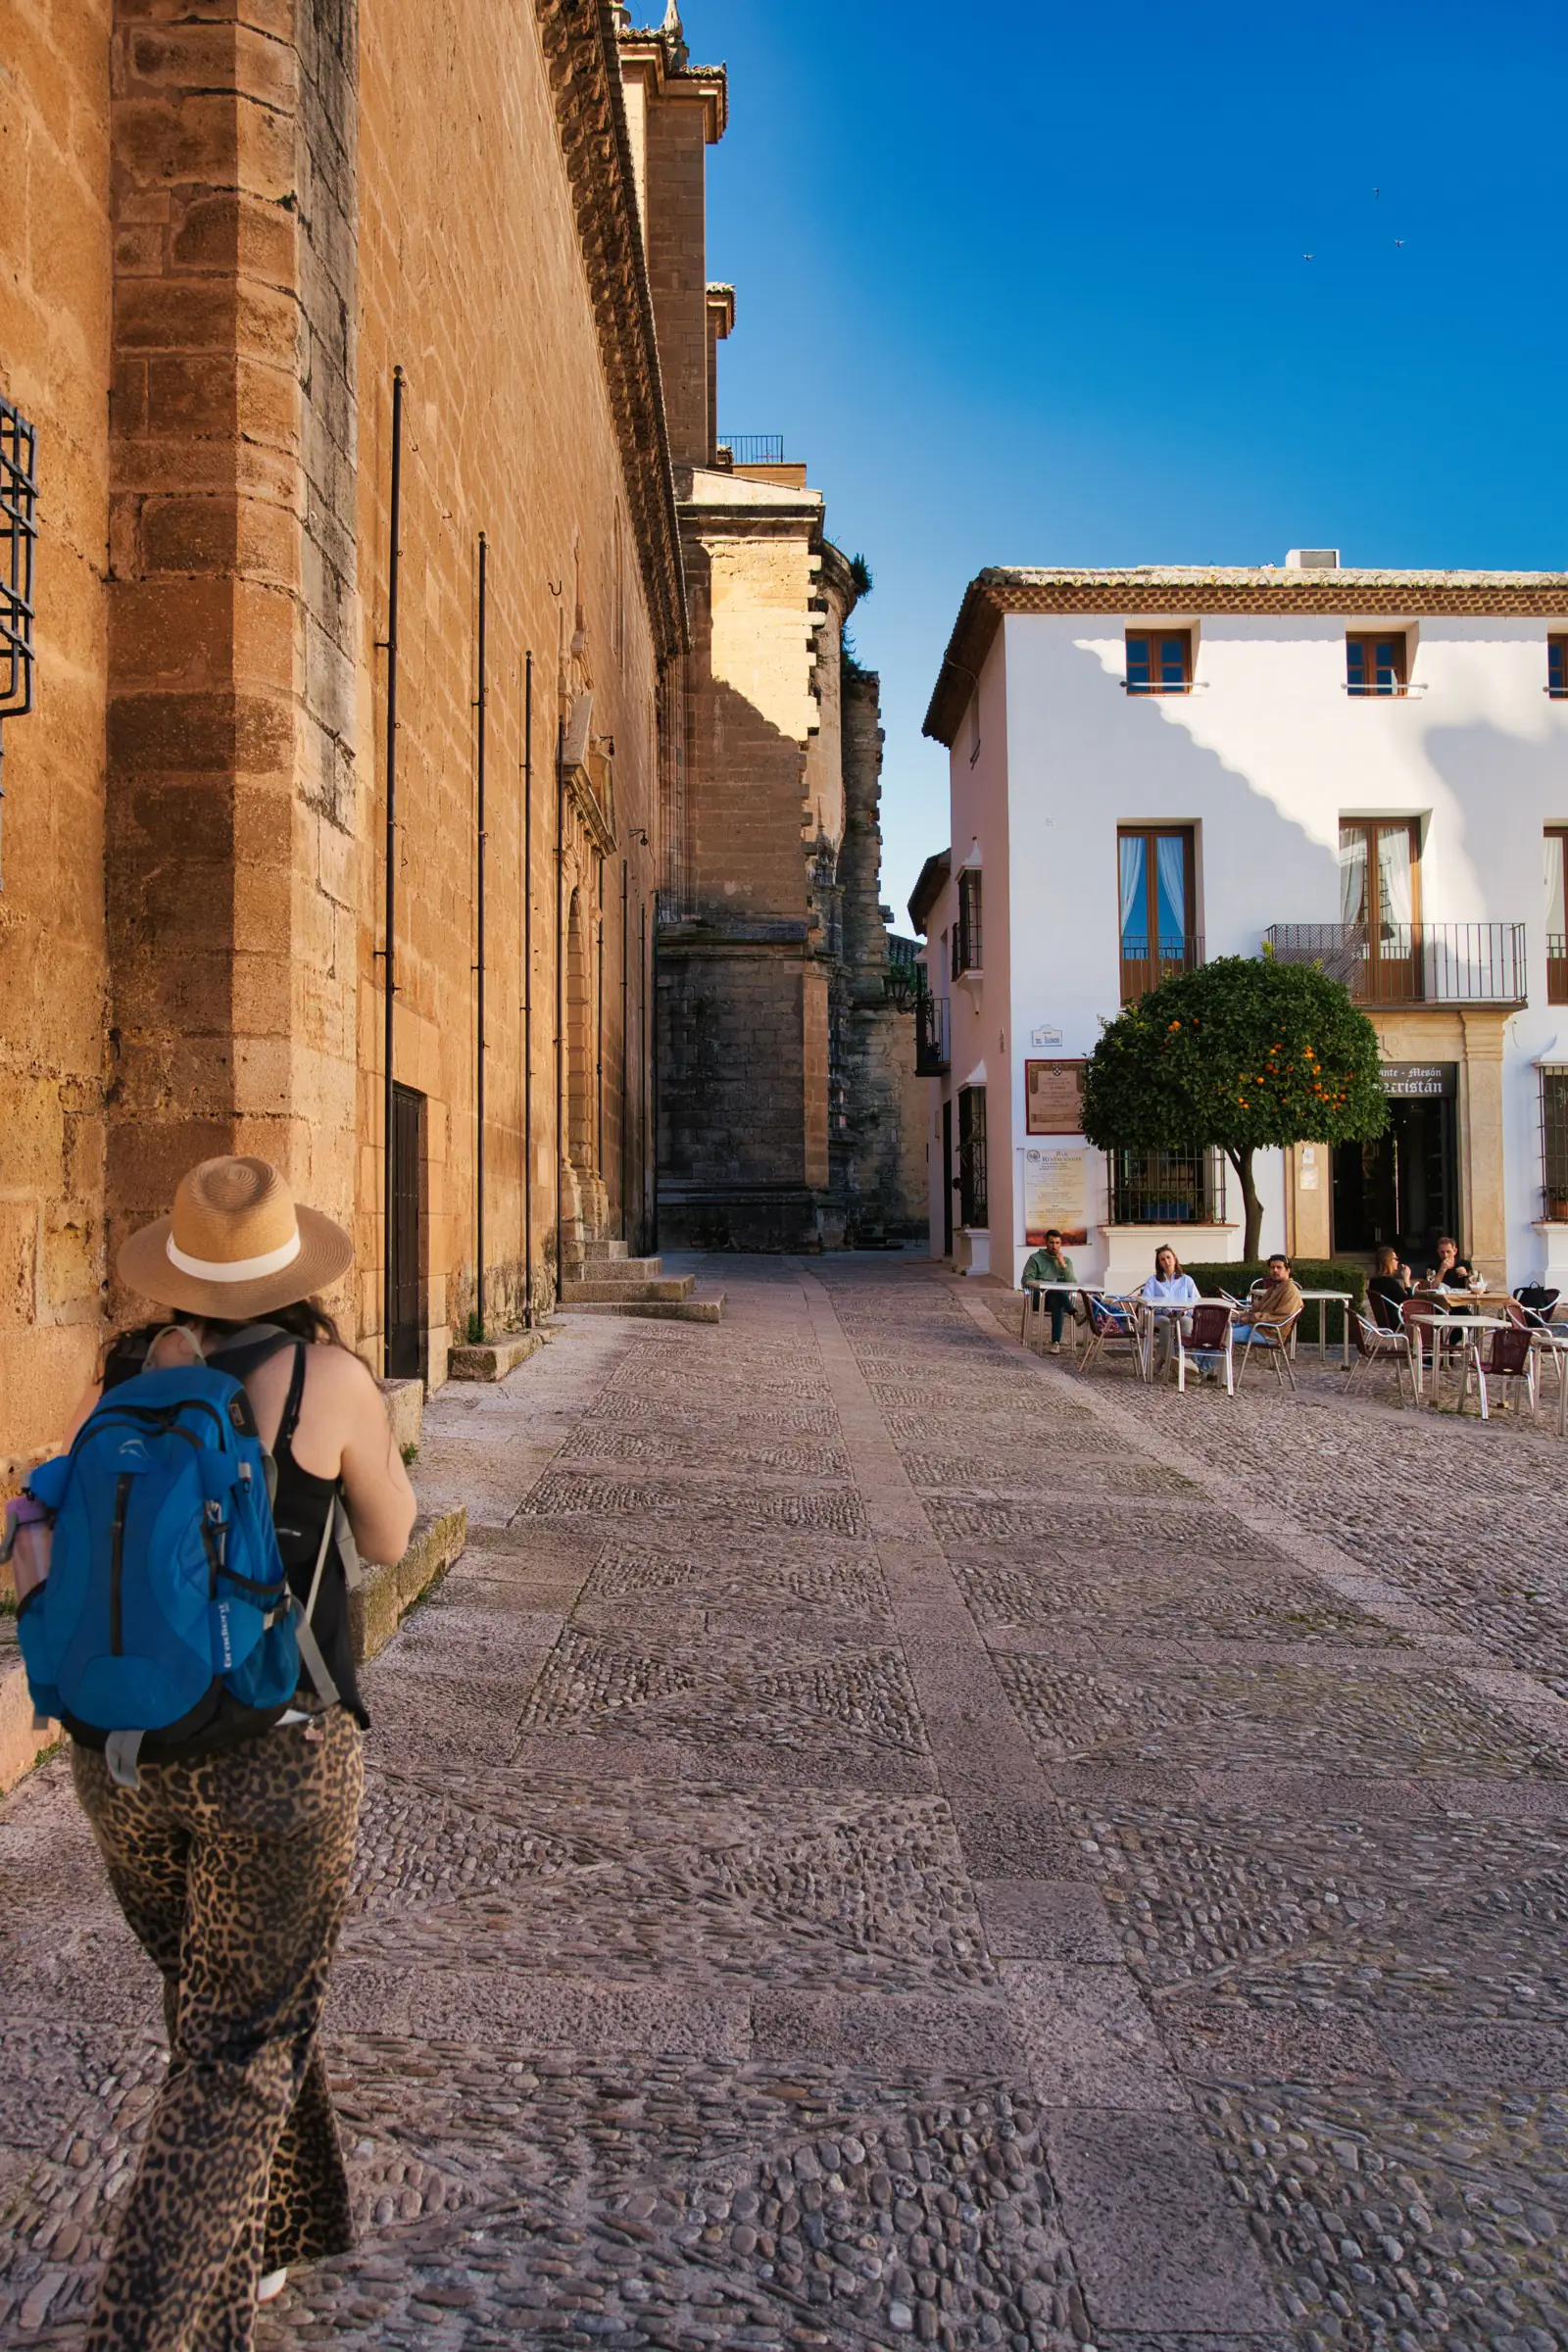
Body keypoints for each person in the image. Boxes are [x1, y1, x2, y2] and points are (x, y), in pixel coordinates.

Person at [60, 1156, 416, 2351]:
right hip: (280, 1755)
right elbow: (390, 1530)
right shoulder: (329, 1378)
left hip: (125, 1756)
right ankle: (155, 2328)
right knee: (236, 2038)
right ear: (292, 1269)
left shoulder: (127, 1377)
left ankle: (283, 2225)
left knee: (221, 2005)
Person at [1139, 1245, 1200, 1370]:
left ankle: (1170, 1358)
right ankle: (1172, 1364)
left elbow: (1196, 1303)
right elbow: (1146, 1302)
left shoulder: (1186, 1280)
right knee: (1166, 1323)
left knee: (1186, 1324)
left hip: (1181, 1315)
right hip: (1160, 1315)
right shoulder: (1153, 1281)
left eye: (1168, 1257)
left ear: (1175, 1259)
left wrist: (1184, 1313)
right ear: (1159, 1263)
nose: (1166, 1261)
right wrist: (1163, 1311)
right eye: (1162, 1259)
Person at [1021, 1228, 1077, 1352]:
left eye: (1057, 1243)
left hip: (1055, 1299)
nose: (1054, 1246)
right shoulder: (1035, 1258)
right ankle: (1074, 1312)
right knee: (1056, 1291)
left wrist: (1063, 1265)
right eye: (1051, 1242)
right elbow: (1026, 1280)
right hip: (1037, 1297)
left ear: (1061, 1244)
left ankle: (1056, 1342)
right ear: (1046, 1242)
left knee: (1058, 1297)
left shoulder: (1066, 1261)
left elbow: (1072, 1283)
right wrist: (1044, 1283)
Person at [1420, 1234, 1482, 1304]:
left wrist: (1466, 1275)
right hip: (1439, 1303)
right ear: (1438, 1252)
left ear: (1455, 1251)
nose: (1445, 1255)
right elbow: (1431, 1288)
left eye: (1448, 1252)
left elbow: (1474, 1288)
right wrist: (1442, 1270)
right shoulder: (1432, 1266)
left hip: (1460, 1302)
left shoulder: (1464, 1264)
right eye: (1442, 1252)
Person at [1367, 1245, 1414, 1332]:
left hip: (1385, 1322)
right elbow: (1410, 1305)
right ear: (1388, 1261)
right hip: (1398, 1322)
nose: (1397, 1261)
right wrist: (1407, 1280)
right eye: (1395, 1259)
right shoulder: (1389, 1282)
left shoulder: (1374, 1281)